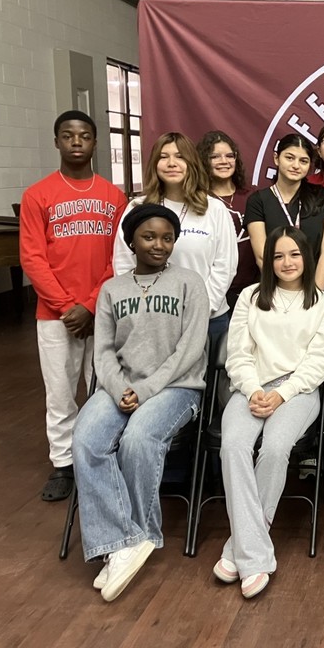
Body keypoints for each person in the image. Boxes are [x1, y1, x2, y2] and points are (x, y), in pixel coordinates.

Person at [73, 204, 208, 602]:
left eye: (167, 238)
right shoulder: (113, 289)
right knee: (85, 440)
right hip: (120, 386)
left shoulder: (189, 282)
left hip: (177, 388)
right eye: (149, 237)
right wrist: (117, 390)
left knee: (138, 439)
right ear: (131, 240)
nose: (159, 245)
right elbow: (104, 353)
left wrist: (146, 390)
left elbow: (190, 349)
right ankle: (123, 542)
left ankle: (131, 540)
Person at [213, 227, 324, 599]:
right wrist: (254, 390)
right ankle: (254, 554)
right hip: (249, 386)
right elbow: (237, 352)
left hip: (298, 390)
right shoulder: (250, 296)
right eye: (279, 256)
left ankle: (239, 548)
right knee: (233, 446)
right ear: (268, 261)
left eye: (295, 255)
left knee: (274, 448)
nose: (287, 263)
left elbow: (319, 362)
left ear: (307, 258)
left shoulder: (323, 303)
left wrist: (281, 394)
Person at [19, 110, 127, 502]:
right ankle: (63, 464)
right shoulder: (38, 195)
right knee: (61, 392)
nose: (76, 142)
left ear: (96, 142)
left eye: (84, 135)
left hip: (103, 311)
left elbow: (119, 257)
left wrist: (92, 303)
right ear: (57, 142)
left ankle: (100, 456)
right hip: (56, 316)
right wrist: (68, 306)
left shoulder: (114, 196)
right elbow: (33, 258)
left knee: (103, 389)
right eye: (68, 136)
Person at [113, 132, 238, 344]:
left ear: (191, 162)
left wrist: (198, 309)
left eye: (180, 156)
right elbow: (123, 262)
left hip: (209, 320)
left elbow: (225, 266)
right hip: (152, 318)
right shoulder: (137, 208)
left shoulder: (213, 209)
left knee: (208, 378)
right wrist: (151, 307)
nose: (172, 163)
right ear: (154, 163)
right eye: (164, 156)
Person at [245, 135, 324, 290]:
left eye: (303, 161)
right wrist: (283, 294)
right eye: (289, 158)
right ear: (276, 158)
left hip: (315, 290)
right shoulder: (258, 200)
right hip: (273, 291)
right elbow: (262, 256)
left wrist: (315, 296)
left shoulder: (322, 197)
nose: (296, 165)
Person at [198, 130, 260, 310]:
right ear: (204, 161)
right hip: (214, 292)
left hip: (252, 290)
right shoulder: (198, 200)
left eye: (229, 155)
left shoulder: (253, 195)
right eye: (215, 156)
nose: (223, 161)